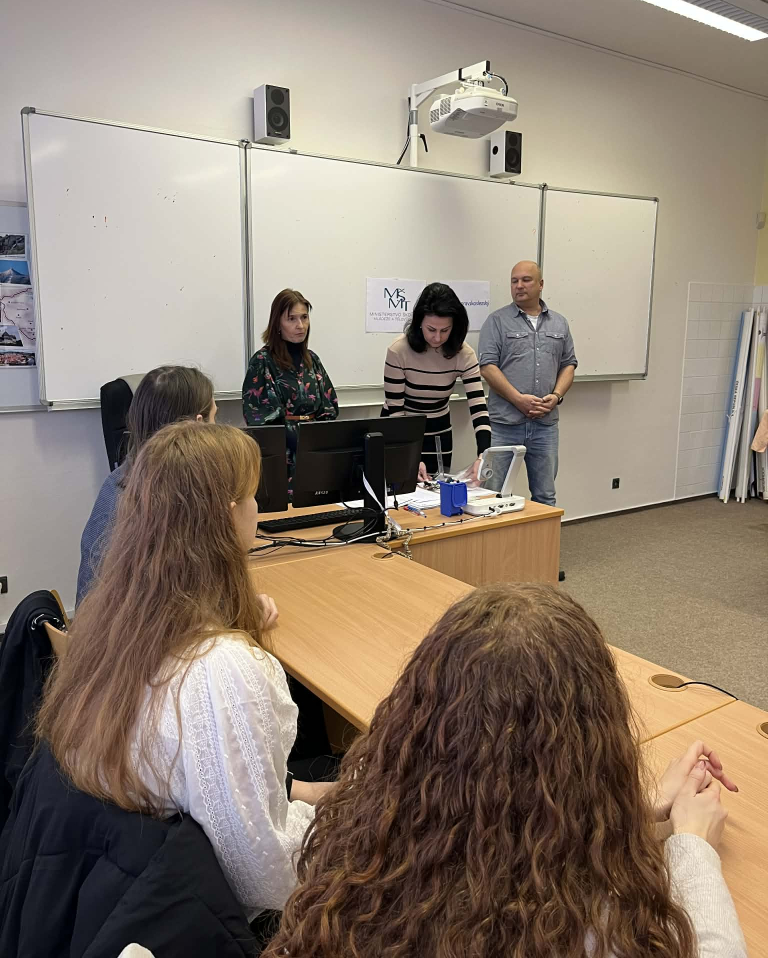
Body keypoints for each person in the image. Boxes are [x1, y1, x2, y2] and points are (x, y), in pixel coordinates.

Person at [266, 583, 745, 958]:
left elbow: (491, 815)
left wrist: (633, 814)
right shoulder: (587, 924)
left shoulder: (356, 852)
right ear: (593, 747)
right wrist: (693, 844)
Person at [39, 423, 333, 920]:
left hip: (120, 888)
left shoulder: (115, 618)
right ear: (228, 515)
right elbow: (262, 879)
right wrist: (344, 829)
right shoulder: (221, 671)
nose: (258, 509)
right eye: (253, 497)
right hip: (204, 919)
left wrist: (305, 802)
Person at [76, 365, 216, 606]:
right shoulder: (161, 498)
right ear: (198, 424)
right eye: (215, 418)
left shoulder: (124, 479)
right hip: (132, 627)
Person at [479, 261, 576, 506]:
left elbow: (568, 364)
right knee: (493, 494)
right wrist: (518, 399)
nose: (519, 285)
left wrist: (556, 396)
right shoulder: (497, 321)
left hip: (545, 425)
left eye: (526, 280)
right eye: (514, 281)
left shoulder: (559, 323)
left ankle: (542, 535)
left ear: (541, 284)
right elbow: (487, 367)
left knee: (545, 495)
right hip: (504, 424)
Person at [382, 282, 490, 481]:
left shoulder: (464, 354)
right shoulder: (398, 351)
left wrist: (483, 456)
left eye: (445, 330)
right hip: (400, 431)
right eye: (431, 329)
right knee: (399, 491)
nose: (437, 338)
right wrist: (410, 455)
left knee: (436, 492)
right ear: (419, 322)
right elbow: (395, 410)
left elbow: (479, 409)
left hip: (438, 434)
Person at [243, 288, 338, 489]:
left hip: (316, 454)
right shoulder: (262, 361)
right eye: (291, 319)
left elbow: (329, 407)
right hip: (282, 459)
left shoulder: (312, 359)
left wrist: (319, 445)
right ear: (277, 323)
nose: (300, 326)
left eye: (304, 317)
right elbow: (261, 418)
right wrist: (302, 443)